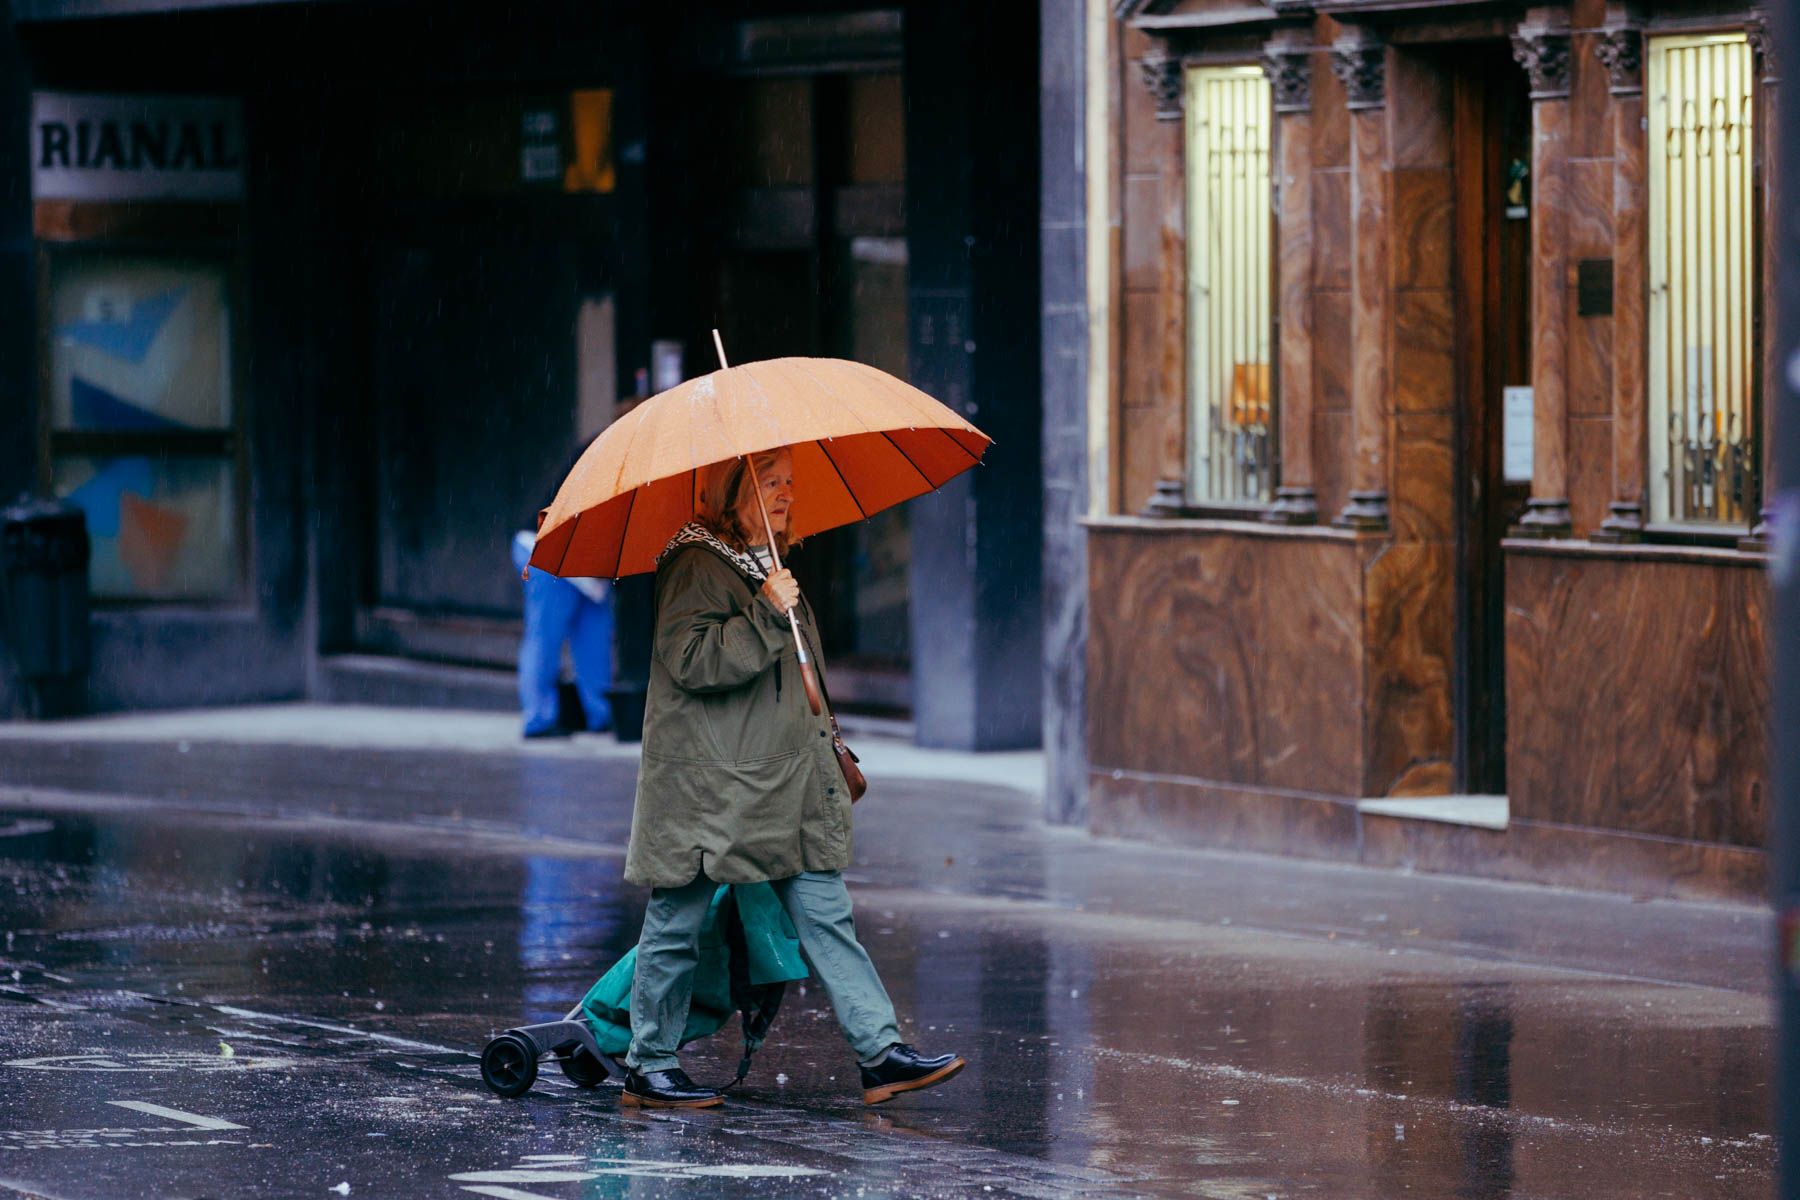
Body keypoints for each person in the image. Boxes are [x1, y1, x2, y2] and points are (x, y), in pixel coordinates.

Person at [620, 447, 964, 1109]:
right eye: (770, 482)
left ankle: (879, 1052)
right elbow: (691, 661)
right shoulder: (695, 563)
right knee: (675, 921)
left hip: (785, 785)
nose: (785, 494)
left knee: (827, 914)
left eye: (789, 483)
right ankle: (649, 1063)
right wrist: (765, 611)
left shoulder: (767, 565)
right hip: (711, 791)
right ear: (732, 492)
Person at [511, 529, 613, 738]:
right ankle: (539, 716)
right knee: (546, 638)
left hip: (589, 566)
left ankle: (600, 713)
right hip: (549, 552)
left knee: (594, 642)